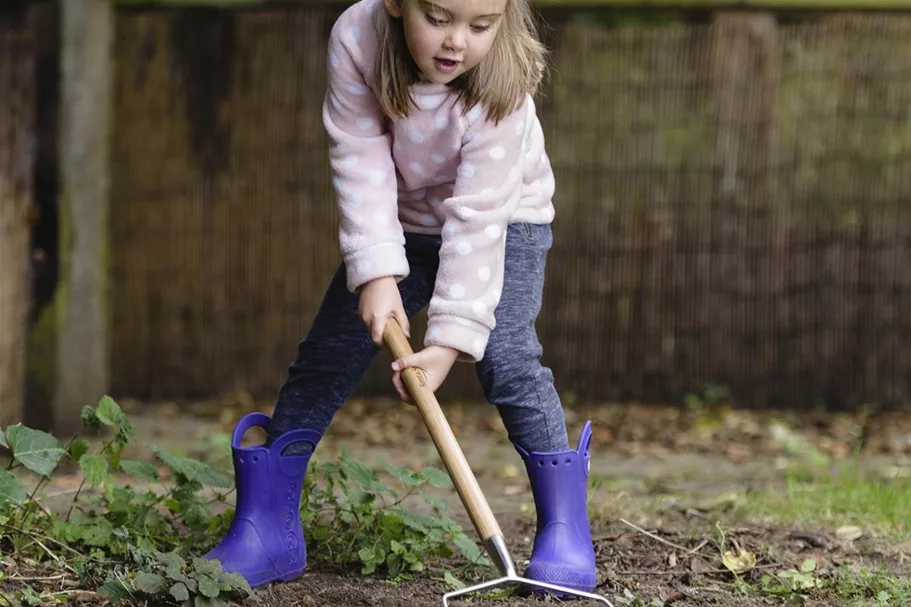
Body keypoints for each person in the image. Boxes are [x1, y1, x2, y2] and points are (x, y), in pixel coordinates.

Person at [204, 0, 600, 596]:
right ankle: (266, 530)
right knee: (325, 357)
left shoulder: (506, 84)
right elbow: (358, 155)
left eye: (480, 25)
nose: (457, 43)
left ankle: (565, 532)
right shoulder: (358, 39)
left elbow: (477, 217)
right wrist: (376, 270)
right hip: (398, 222)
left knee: (508, 356)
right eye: (438, 18)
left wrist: (446, 342)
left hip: (503, 221)